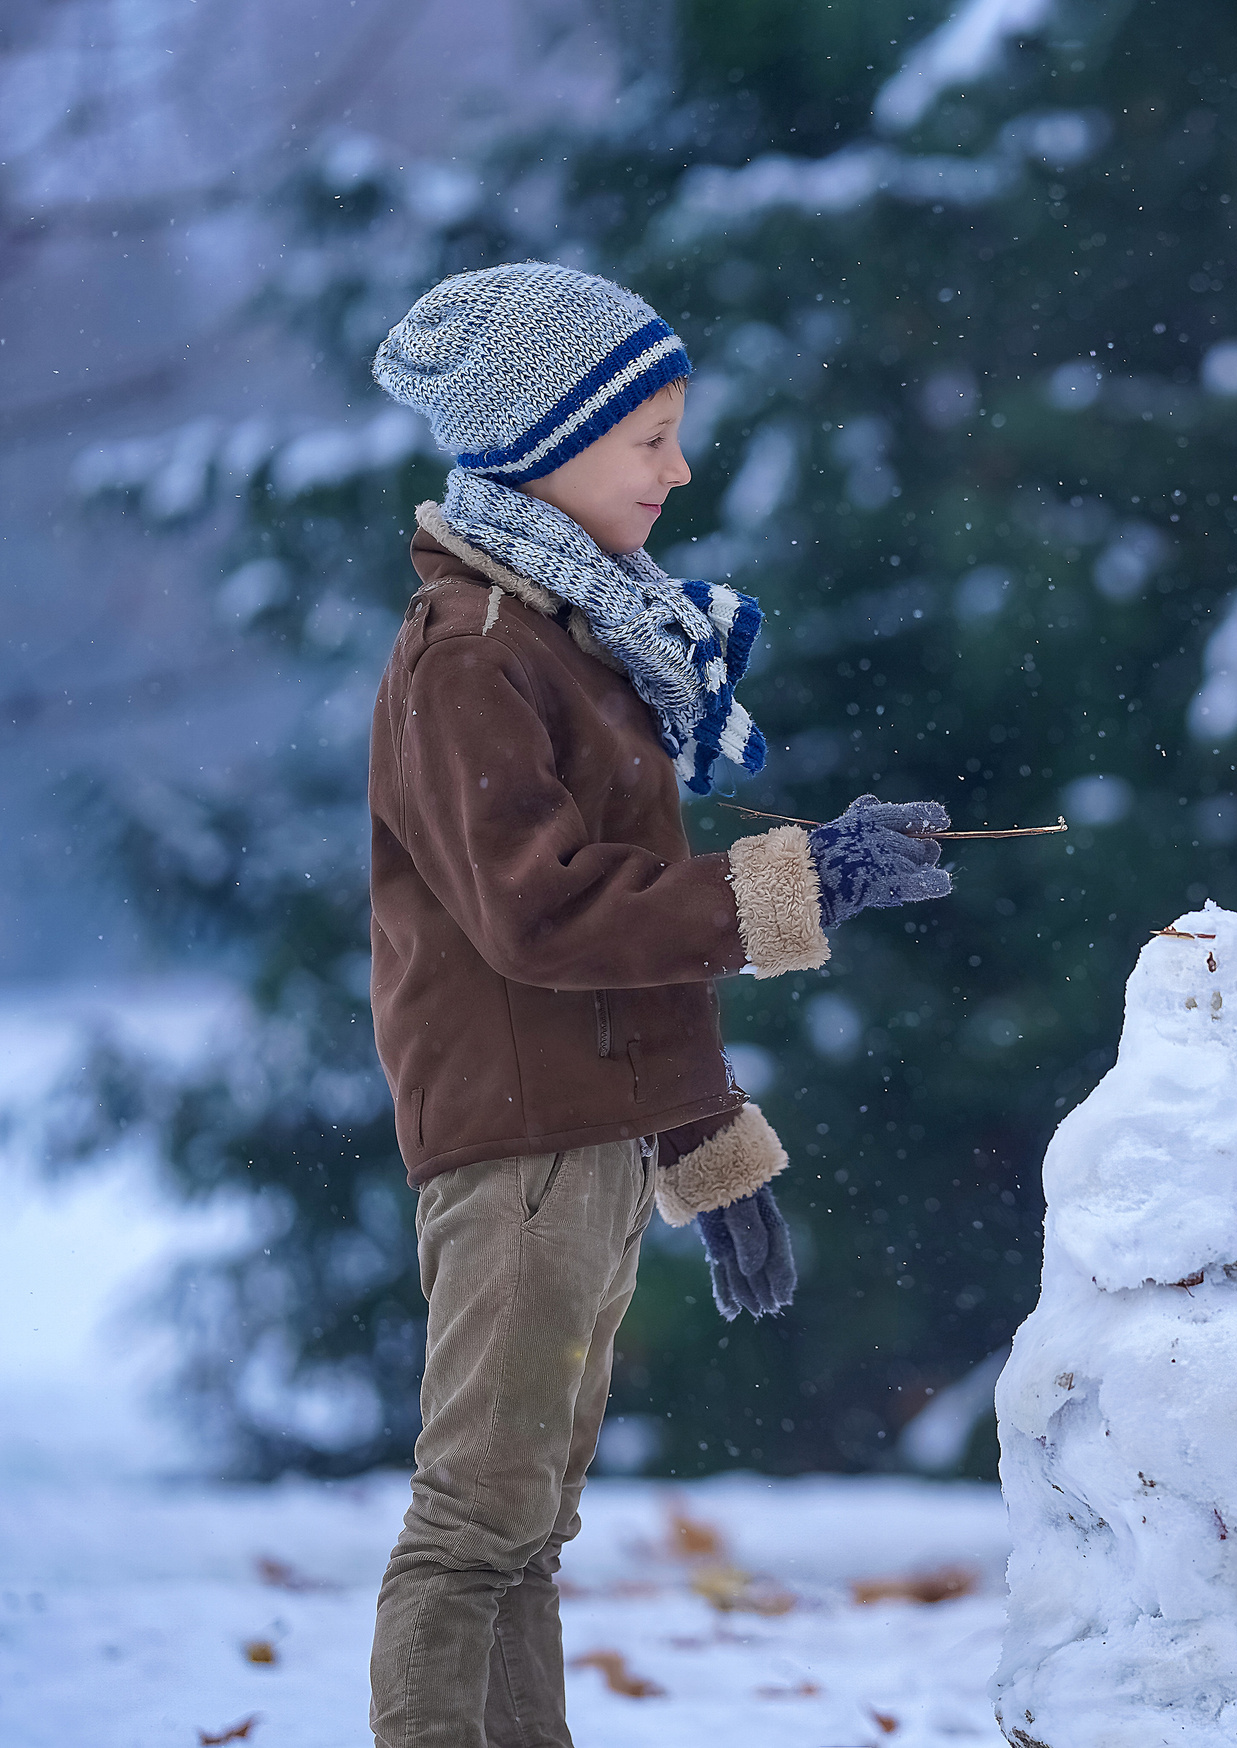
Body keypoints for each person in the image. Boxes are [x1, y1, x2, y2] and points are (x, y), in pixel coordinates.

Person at [363, 261, 952, 1747]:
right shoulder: (476, 660)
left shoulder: (576, 644)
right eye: (650, 436)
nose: (678, 469)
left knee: (529, 1531)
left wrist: (705, 1139)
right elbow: (547, 916)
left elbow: (626, 956)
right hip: (517, 1151)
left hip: (586, 1147)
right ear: (542, 443)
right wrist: (794, 881)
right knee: (475, 1521)